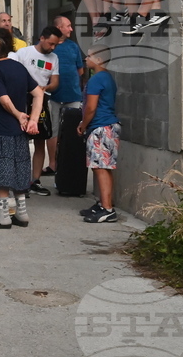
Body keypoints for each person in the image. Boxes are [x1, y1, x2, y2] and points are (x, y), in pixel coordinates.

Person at [0, 30, 44, 229]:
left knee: (1, 172)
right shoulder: (19, 67)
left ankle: (3, 216)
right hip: (19, 131)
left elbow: (3, 98)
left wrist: (18, 114)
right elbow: (39, 94)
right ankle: (21, 214)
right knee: (19, 169)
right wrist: (32, 120)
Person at [11, 26, 61, 196]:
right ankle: (19, 180)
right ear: (42, 38)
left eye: (56, 45)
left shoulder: (54, 58)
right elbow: (14, 75)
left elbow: (55, 82)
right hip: (22, 99)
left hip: (42, 100)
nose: (53, 48)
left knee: (40, 140)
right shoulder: (23, 53)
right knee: (21, 139)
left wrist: (43, 88)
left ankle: (35, 180)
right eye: (51, 43)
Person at [77, 44, 121, 223]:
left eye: (89, 56)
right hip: (108, 126)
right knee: (103, 166)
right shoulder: (108, 78)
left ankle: (107, 209)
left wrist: (83, 124)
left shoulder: (96, 80)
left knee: (101, 167)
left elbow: (91, 107)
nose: (85, 59)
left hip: (100, 127)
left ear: (99, 59)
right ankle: (104, 204)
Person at [44, 15, 84, 184]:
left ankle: (69, 165)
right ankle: (53, 164)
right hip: (54, 97)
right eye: (68, 26)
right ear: (59, 28)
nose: (71, 29)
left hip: (73, 96)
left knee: (73, 133)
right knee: (52, 131)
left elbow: (80, 71)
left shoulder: (73, 47)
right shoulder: (49, 49)